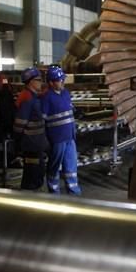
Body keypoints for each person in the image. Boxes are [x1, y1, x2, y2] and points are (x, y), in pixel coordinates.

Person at [41, 66, 81, 195]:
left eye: (63, 80)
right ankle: (54, 193)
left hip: (70, 137)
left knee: (71, 167)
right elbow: (43, 120)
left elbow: (70, 110)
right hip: (57, 139)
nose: (62, 82)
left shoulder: (65, 94)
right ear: (51, 83)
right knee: (54, 167)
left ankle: (74, 192)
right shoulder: (47, 98)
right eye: (59, 80)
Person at [13, 67, 48, 190]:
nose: (40, 82)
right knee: (32, 174)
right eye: (38, 80)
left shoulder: (33, 96)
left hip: (36, 143)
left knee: (38, 172)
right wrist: (18, 141)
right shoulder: (27, 97)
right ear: (30, 81)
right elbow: (20, 123)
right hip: (31, 143)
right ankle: (27, 198)